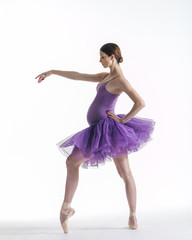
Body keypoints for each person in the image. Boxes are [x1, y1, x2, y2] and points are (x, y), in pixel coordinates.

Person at [35, 43, 156, 233]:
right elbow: (77, 75)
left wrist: (123, 120)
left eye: (102, 57)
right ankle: (66, 208)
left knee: (124, 173)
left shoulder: (120, 80)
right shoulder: (105, 77)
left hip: (109, 131)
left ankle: (133, 216)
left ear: (112, 57)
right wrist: (51, 72)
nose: (100, 60)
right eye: (100, 57)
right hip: (97, 130)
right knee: (72, 162)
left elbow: (140, 102)